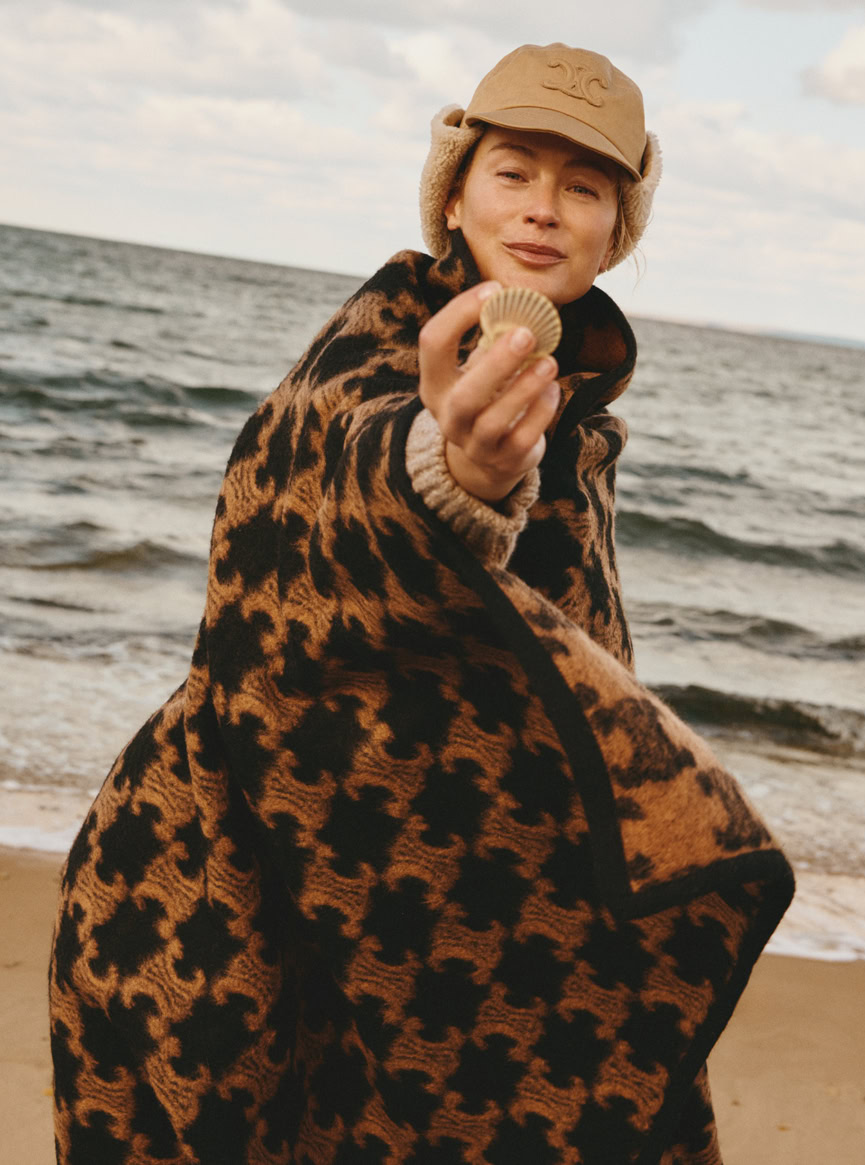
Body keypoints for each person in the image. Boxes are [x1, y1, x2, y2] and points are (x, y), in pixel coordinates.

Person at [49, 43, 793, 1165]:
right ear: (453, 191)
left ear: (616, 229)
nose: (543, 210)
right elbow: (339, 488)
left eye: (582, 186)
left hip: (445, 928)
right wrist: (455, 475)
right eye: (512, 172)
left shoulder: (580, 429)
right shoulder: (369, 356)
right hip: (235, 914)